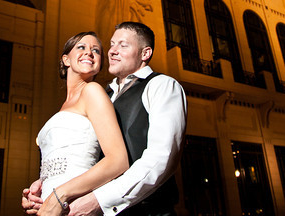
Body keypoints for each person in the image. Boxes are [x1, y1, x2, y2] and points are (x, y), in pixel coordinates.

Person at [23, 22, 188, 215]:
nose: (112, 51)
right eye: (111, 45)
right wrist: (45, 185)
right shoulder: (103, 94)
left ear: (145, 54)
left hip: (149, 210)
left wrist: (96, 201)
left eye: (123, 45)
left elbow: (162, 158)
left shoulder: (162, 86)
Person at [29, 31, 129, 216]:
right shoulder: (63, 107)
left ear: (99, 65)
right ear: (66, 60)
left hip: (74, 205)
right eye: (81, 47)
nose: (89, 52)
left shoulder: (92, 91)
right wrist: (39, 189)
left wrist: (59, 195)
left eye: (96, 51)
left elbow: (118, 161)